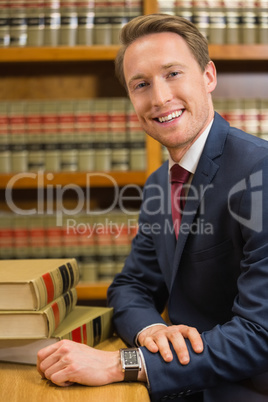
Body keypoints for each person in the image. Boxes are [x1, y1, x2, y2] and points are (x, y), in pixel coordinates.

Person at [37, 14, 268, 402]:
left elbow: (261, 334)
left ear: (208, 76)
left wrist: (123, 363)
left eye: (173, 73)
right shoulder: (162, 182)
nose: (159, 98)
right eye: (141, 84)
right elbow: (133, 285)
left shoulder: (259, 170)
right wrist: (152, 333)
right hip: (184, 387)